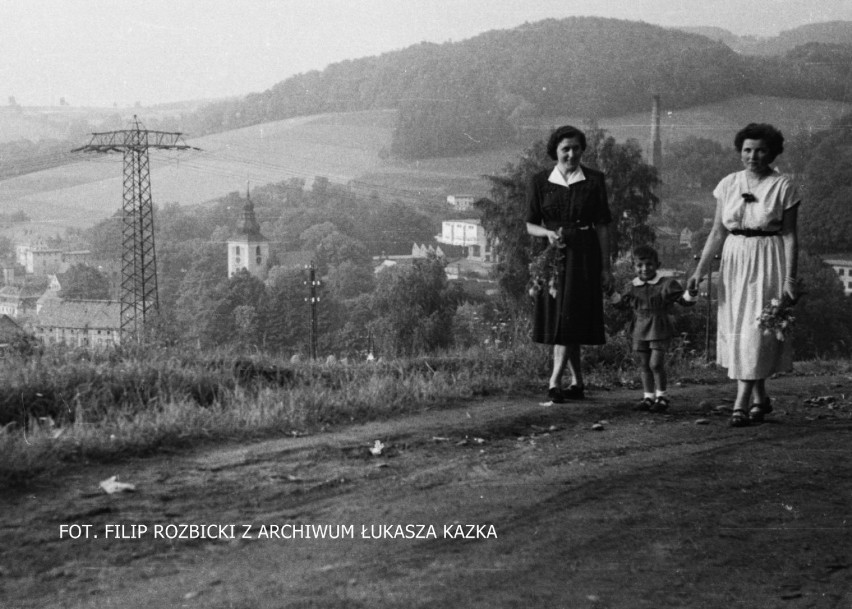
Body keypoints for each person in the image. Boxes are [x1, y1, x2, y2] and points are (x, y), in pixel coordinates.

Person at [688, 123, 800, 427]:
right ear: (740, 152)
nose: (753, 156)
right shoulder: (728, 184)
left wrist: (790, 278)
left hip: (768, 257)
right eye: (748, 150)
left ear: (773, 152)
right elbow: (717, 231)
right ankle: (760, 398)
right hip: (735, 259)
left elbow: (789, 235)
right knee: (737, 326)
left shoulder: (784, 186)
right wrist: (698, 271)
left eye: (761, 150)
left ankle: (740, 402)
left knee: (757, 329)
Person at [526, 125, 613, 403]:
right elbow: (530, 225)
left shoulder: (595, 180)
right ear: (556, 151)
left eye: (576, 148)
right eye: (566, 149)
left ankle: (554, 382)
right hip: (553, 259)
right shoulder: (539, 181)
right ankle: (577, 381)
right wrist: (548, 233)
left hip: (585, 256)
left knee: (569, 316)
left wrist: (605, 267)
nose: (572, 154)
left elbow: (602, 226)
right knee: (563, 318)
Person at [612, 245, 696, 412]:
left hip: (659, 327)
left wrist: (691, 292)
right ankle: (648, 397)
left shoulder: (666, 284)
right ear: (633, 267)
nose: (644, 269)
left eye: (649, 264)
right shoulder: (632, 286)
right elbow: (622, 304)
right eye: (639, 265)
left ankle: (662, 397)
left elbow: (684, 301)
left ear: (657, 264)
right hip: (640, 328)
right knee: (644, 364)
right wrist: (611, 293)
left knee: (656, 364)